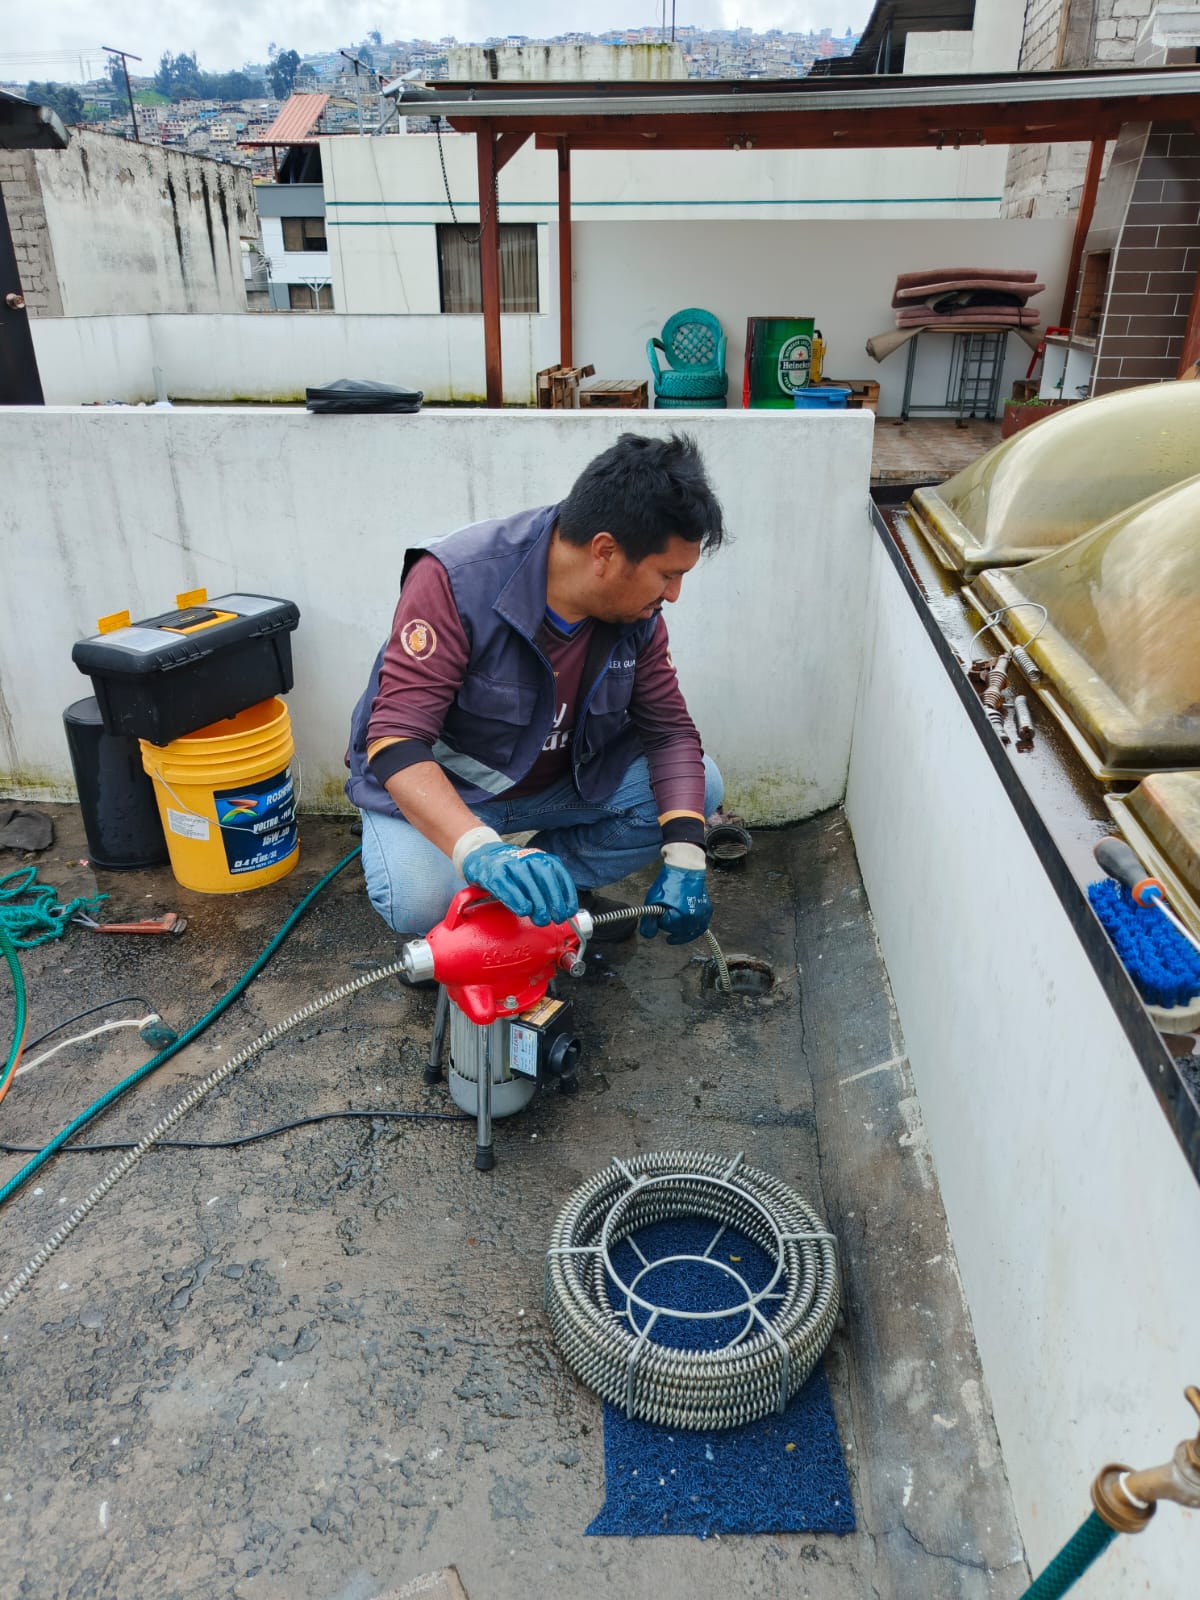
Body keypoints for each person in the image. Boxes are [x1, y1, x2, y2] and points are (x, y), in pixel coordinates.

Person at [345, 431, 726, 947]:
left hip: (559, 788)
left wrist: (686, 856)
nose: (674, 595)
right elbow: (394, 741)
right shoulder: (457, 579)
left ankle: (548, 897)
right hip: (453, 793)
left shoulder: (636, 613)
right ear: (605, 552)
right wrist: (478, 847)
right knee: (418, 894)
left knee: (701, 787)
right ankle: (465, 927)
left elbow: (670, 734)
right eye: (667, 574)